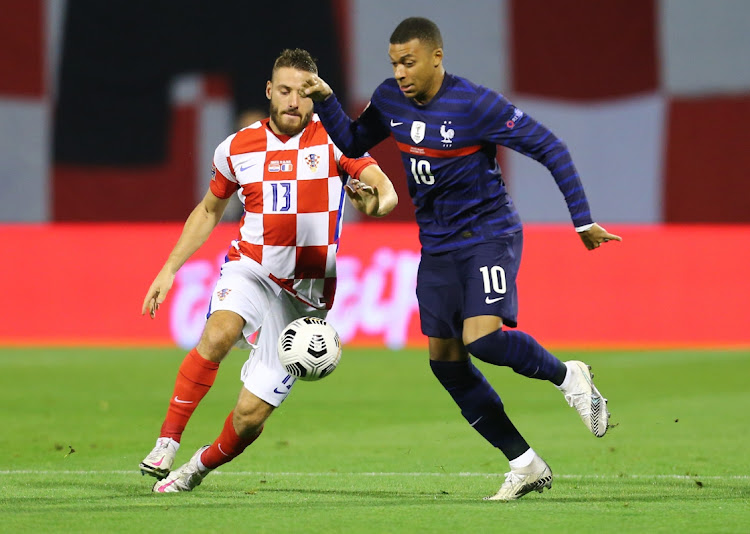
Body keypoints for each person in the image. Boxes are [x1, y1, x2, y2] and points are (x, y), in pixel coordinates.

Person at [302, 17, 621, 501]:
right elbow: (351, 141)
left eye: (409, 62)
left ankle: (568, 376)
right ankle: (525, 463)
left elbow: (550, 147)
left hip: (487, 235)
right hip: (436, 245)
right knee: (446, 363)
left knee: (483, 340)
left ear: (436, 57)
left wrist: (581, 220)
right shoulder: (389, 98)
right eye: (394, 63)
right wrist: (326, 98)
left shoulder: (475, 104)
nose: (401, 72)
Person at [139, 48, 398, 493]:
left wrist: (374, 205)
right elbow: (208, 210)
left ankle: (195, 469)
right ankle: (167, 439)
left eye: (303, 92)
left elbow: (385, 191)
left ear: (315, 95)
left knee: (249, 417)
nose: (293, 101)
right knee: (219, 332)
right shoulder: (237, 147)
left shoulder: (337, 140)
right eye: (284, 91)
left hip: (306, 297)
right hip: (252, 268)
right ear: (268, 92)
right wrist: (169, 269)